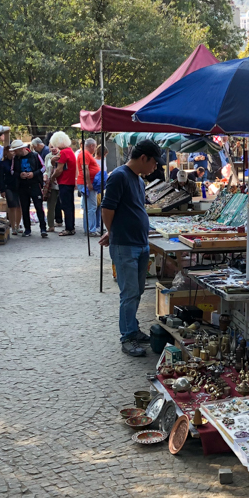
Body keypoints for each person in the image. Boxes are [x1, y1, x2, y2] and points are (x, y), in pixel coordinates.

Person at [99, 140, 162, 357]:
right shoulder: (119, 176)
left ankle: (132, 328)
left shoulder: (138, 180)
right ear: (143, 158)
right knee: (129, 293)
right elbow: (107, 208)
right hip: (125, 245)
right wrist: (113, 232)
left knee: (137, 291)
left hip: (139, 243)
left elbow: (130, 209)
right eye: (154, 162)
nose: (155, 167)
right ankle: (127, 336)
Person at [10, 140, 47, 238]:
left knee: (39, 207)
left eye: (16, 150)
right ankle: (27, 229)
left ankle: (43, 228)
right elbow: (12, 171)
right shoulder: (15, 158)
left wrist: (33, 174)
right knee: (24, 208)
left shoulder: (35, 155)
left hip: (35, 184)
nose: (15, 152)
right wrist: (20, 175)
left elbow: (43, 167)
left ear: (22, 149)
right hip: (22, 186)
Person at [51, 131, 78, 236]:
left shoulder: (63, 153)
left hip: (64, 182)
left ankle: (69, 228)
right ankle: (71, 227)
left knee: (66, 206)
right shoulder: (70, 151)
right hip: (70, 182)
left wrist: (52, 177)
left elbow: (59, 170)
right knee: (70, 205)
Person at [74, 138, 101, 236]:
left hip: (86, 183)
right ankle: (91, 230)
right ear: (92, 146)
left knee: (88, 207)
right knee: (91, 207)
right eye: (95, 146)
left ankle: (89, 229)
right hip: (86, 184)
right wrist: (89, 183)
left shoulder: (85, 154)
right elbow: (85, 169)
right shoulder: (85, 154)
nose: (95, 148)